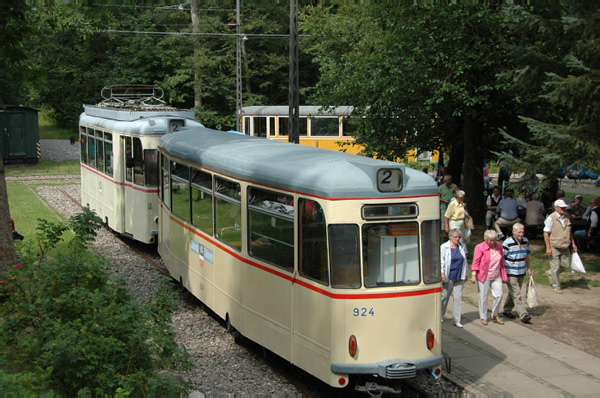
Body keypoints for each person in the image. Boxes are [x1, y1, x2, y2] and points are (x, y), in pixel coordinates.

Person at [471, 230, 508, 325]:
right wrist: (474, 275)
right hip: (484, 276)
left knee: (499, 294)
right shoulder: (480, 247)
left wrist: (504, 275)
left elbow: (501, 261)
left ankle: (494, 314)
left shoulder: (499, 246)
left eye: (494, 240)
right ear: (486, 239)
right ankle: (483, 316)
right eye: (490, 240)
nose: (492, 242)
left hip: (496, 275)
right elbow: (476, 262)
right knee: (483, 297)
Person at [543, 199, 578, 294]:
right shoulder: (551, 218)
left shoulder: (567, 217)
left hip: (565, 245)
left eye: (564, 207)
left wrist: (573, 242)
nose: (563, 209)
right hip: (554, 245)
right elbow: (546, 233)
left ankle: (550, 273)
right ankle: (556, 286)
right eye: (561, 207)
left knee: (566, 264)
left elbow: (569, 231)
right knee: (555, 266)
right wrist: (548, 247)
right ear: (556, 208)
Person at [502, 223, 533, 324]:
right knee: (517, 293)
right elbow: (502, 258)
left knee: (514, 292)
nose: (521, 234)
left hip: (521, 271)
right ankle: (523, 314)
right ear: (514, 232)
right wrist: (503, 272)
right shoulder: (507, 243)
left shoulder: (525, 241)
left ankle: (506, 310)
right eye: (519, 232)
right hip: (511, 272)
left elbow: (526, 256)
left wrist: (529, 268)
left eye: (522, 232)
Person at [440, 229, 469, 328]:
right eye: (455, 237)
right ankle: (440, 315)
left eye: (459, 237)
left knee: (458, 298)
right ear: (451, 237)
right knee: (444, 297)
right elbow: (442, 261)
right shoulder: (444, 247)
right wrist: (442, 273)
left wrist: (465, 274)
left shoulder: (462, 246)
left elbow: (465, 261)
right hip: (449, 276)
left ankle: (456, 320)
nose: (457, 239)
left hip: (459, 275)